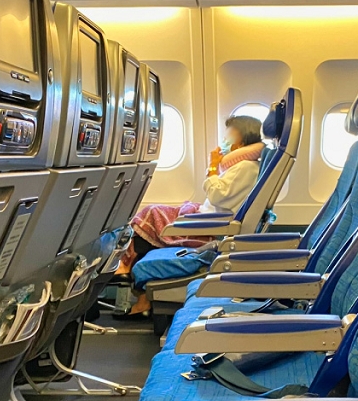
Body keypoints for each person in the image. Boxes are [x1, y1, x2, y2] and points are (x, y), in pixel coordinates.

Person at [113, 114, 265, 317]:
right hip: (206, 218)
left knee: (149, 215)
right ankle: (138, 289)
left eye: (229, 136)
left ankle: (129, 275)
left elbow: (217, 195)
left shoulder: (245, 167)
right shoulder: (243, 166)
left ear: (242, 142)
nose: (224, 141)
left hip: (209, 228)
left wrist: (212, 167)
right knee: (151, 214)